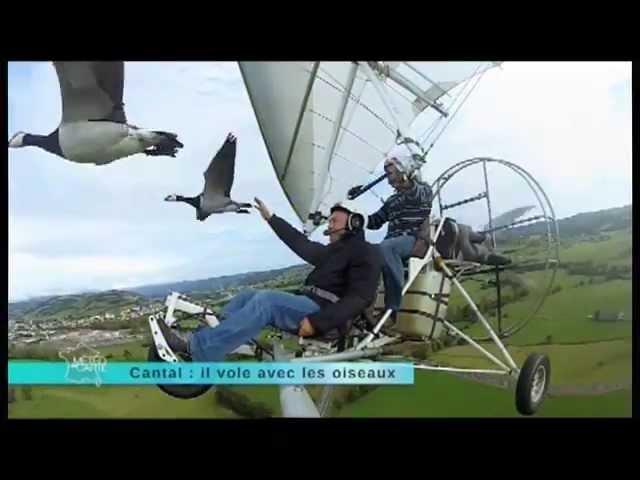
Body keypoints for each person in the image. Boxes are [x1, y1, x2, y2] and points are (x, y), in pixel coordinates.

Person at [157, 197, 382, 362]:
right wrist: (271, 219)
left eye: (334, 221)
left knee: (267, 301)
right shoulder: (333, 252)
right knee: (247, 297)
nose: (329, 225)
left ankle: (197, 348)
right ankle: (229, 339)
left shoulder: (366, 253)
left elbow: (359, 298)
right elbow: (299, 243)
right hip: (311, 304)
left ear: (354, 223)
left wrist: (317, 323)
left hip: (325, 316)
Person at [365, 155, 433, 319]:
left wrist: (405, 180)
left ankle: (393, 304)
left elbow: (416, 194)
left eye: (391, 170)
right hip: (392, 243)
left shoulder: (423, 190)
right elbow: (374, 222)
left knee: (386, 247)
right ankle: (364, 309)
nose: (388, 173)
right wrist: (352, 214)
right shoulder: (391, 201)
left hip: (412, 240)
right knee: (366, 254)